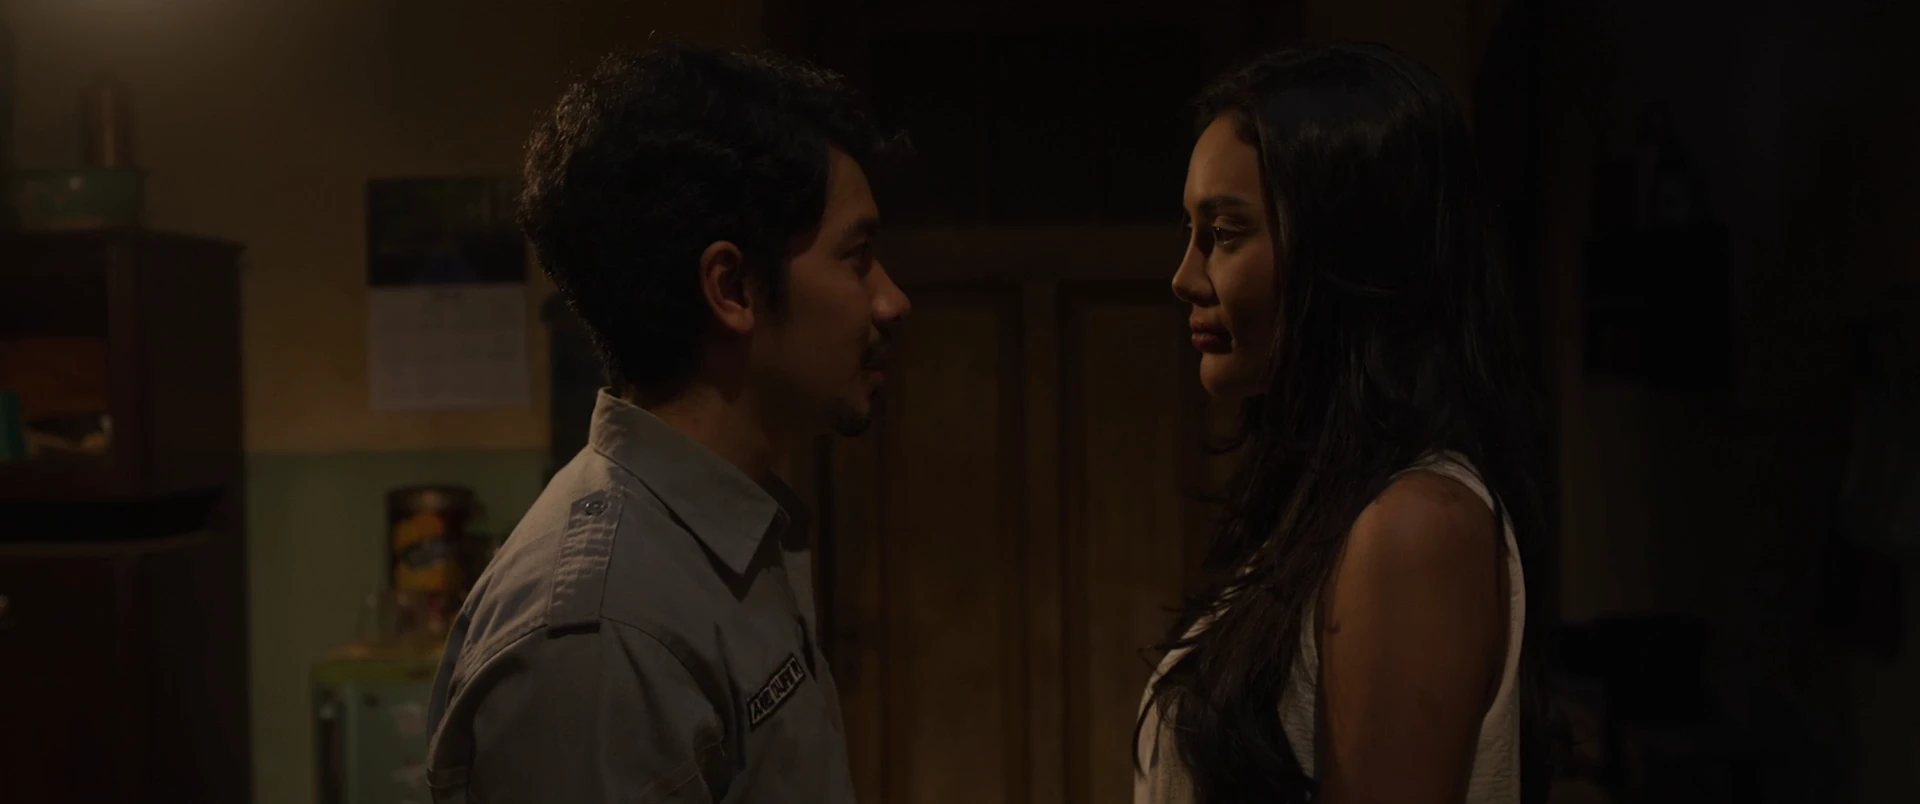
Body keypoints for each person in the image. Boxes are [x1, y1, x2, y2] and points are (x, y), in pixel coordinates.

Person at [425, 42, 909, 803]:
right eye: (857, 257)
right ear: (732, 287)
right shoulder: (604, 632)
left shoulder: (721, 538)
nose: (891, 301)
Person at [1134, 43, 1550, 804]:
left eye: (1223, 233)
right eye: (1191, 232)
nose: (1184, 277)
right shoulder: (1327, 509)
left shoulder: (1415, 526)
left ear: (1342, 252)